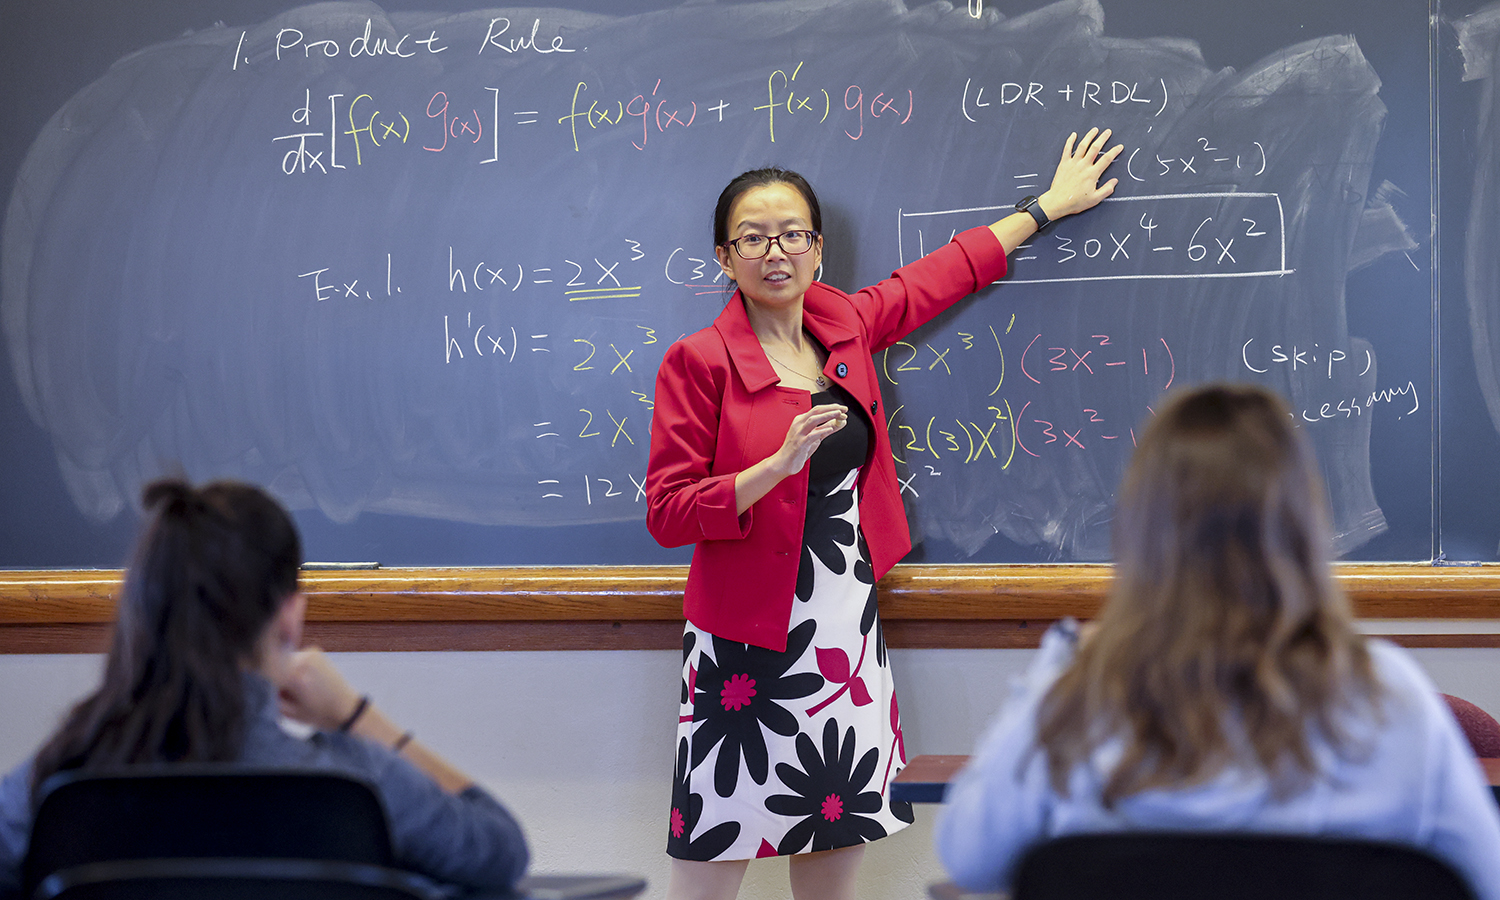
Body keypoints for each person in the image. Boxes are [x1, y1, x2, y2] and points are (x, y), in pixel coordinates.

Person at [645, 129, 1123, 900]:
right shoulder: (699, 361)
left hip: (842, 631)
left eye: (793, 235)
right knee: (715, 841)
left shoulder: (846, 327)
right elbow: (667, 511)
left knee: (834, 828)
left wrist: (1043, 209)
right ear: (724, 258)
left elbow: (942, 275)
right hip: (743, 642)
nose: (777, 253)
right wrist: (771, 470)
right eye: (754, 238)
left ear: (818, 248)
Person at [934, 384, 1500, 899]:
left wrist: (1057, 666)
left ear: (1139, 531)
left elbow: (969, 856)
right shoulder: (1385, 695)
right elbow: (1484, 877)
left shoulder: (1079, 697)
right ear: (1304, 526)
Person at [0, 478, 528, 896]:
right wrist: (356, 718)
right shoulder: (355, 785)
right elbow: (500, 851)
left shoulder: (57, 784)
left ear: (143, 611)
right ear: (289, 617)